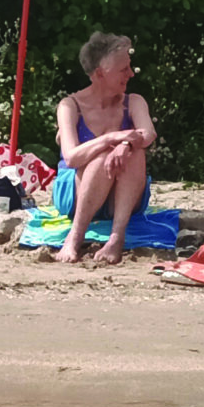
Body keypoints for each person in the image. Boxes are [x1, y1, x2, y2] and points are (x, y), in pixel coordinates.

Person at [52, 32, 157, 265]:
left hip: (123, 199)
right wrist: (112, 139)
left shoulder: (134, 101)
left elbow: (148, 134)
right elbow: (71, 157)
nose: (130, 74)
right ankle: (75, 236)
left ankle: (116, 239)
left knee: (135, 152)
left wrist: (126, 143)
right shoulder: (70, 106)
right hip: (76, 195)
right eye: (124, 69)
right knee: (100, 157)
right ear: (101, 73)